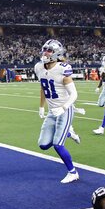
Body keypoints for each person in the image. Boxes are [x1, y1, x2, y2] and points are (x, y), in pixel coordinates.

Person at [34, 39, 80, 183]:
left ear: (56, 53)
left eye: (49, 50)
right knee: (43, 144)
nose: (45, 53)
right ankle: (67, 132)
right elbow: (43, 87)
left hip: (65, 110)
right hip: (52, 112)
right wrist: (41, 106)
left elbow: (74, 95)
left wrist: (64, 107)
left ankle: (73, 172)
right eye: (45, 49)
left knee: (58, 144)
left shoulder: (62, 69)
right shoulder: (39, 68)